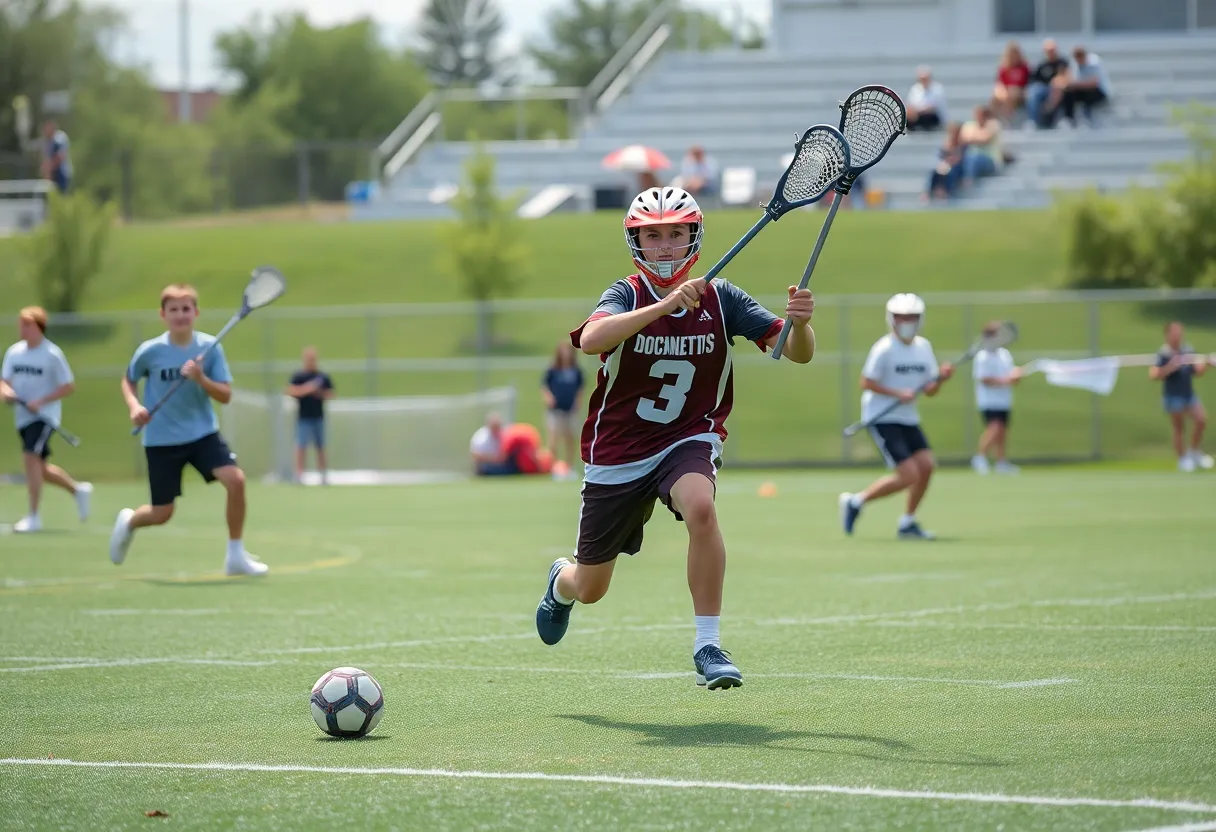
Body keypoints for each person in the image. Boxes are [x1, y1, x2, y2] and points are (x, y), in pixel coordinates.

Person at [534, 186, 816, 690]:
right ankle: (562, 581)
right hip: (618, 452)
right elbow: (592, 339)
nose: (665, 245)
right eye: (654, 235)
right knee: (592, 587)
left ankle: (707, 645)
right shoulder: (626, 294)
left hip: (688, 437)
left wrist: (801, 325)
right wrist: (660, 308)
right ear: (637, 242)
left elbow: (797, 354)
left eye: (675, 234)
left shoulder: (721, 298)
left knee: (700, 507)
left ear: (693, 238)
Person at [109, 284, 266, 576]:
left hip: (202, 434)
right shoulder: (150, 351)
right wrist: (134, 406)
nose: (180, 315)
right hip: (161, 440)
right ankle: (131, 521)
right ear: (163, 314)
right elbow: (128, 379)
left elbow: (225, 395)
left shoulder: (210, 348)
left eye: (186, 309)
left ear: (195, 313)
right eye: (174, 310)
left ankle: (235, 556)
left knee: (236, 481)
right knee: (162, 514)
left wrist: (200, 378)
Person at [840, 293, 954, 540]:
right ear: (891, 319)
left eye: (912, 317)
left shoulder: (924, 347)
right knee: (908, 475)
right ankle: (856, 502)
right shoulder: (884, 349)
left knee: (926, 467)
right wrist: (896, 393)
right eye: (902, 317)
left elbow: (930, 390)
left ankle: (908, 522)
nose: (907, 322)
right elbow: (866, 382)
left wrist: (941, 379)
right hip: (882, 417)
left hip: (908, 417)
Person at [0, 306, 91, 532]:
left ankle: (33, 516)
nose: (22, 328)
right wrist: (7, 393)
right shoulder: (14, 352)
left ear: (39, 327)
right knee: (40, 468)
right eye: (21, 324)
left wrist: (41, 401)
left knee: (30, 458)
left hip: (44, 417)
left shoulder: (52, 354)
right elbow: (4, 382)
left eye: (27, 324)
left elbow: (68, 386)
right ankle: (77, 490)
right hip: (22, 417)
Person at [1150, 321, 1211, 472]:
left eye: (1180, 332)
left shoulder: (1187, 350)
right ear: (1168, 334)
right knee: (1179, 427)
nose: (1178, 335)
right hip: (1173, 395)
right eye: (1175, 332)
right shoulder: (1163, 353)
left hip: (1188, 394)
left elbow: (1197, 371)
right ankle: (1182, 459)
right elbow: (1154, 375)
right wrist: (1171, 366)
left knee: (1201, 420)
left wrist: (1207, 363)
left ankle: (1194, 452)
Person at [971, 322, 1022, 474]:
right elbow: (984, 379)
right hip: (988, 400)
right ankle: (979, 457)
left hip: (1004, 400)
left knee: (1002, 432)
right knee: (994, 429)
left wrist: (1016, 375)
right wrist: (1005, 381)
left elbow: (1011, 374)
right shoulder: (982, 357)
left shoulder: (1004, 354)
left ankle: (1001, 462)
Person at [286, 346, 335, 484]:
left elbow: (331, 394)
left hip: (319, 417)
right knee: (301, 446)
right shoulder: (299, 376)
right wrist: (307, 389)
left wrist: (319, 393)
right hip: (303, 418)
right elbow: (290, 391)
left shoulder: (322, 376)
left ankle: (323, 474)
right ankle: (299, 474)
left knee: (321, 446)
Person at [541, 340, 584, 478]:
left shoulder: (576, 371)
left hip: (570, 410)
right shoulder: (553, 370)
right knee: (553, 438)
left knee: (570, 439)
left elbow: (580, 388)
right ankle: (553, 468)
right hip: (555, 410)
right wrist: (549, 398)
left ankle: (569, 467)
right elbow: (544, 386)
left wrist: (578, 402)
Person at [1059, 46, 1111, 127]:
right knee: (1068, 93)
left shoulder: (1094, 62)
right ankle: (1070, 118)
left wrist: (1075, 84)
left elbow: (1094, 83)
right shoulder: (1075, 63)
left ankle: (1088, 117)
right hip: (1082, 89)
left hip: (1100, 91)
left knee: (1089, 93)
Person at [1026, 39, 1070, 128]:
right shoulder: (1042, 65)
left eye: (1052, 50)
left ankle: (1063, 119)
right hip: (1043, 89)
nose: (1051, 53)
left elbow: (1067, 77)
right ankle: (1033, 121)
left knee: (1058, 89)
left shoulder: (1062, 63)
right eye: (1048, 51)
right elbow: (1033, 80)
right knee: (1033, 93)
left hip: (1059, 90)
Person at [959, 105, 1004, 189]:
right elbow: (963, 140)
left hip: (991, 161)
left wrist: (971, 138)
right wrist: (977, 137)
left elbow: (985, 139)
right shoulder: (969, 125)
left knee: (975, 158)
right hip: (971, 159)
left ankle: (969, 180)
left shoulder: (994, 124)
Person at [924, 121, 965, 202]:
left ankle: (946, 192)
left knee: (952, 172)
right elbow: (942, 156)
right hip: (947, 165)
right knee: (935, 172)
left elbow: (960, 158)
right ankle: (929, 193)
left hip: (958, 167)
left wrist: (950, 160)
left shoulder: (962, 143)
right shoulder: (947, 143)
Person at [992, 41, 1031, 124]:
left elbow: (1028, 82)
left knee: (1012, 92)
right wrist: (1001, 93)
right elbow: (1000, 83)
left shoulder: (1024, 68)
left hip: (1020, 92)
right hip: (1007, 92)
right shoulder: (1004, 68)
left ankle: (1007, 119)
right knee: (995, 98)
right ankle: (995, 120)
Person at [906, 66, 947, 131]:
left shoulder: (937, 89)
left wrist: (917, 111)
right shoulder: (915, 89)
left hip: (934, 117)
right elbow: (910, 105)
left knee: (927, 117)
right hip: (918, 116)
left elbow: (932, 108)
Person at [40, 120, 72, 194]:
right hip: (52, 174)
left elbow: (61, 155)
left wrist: (49, 166)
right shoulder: (47, 141)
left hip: (61, 173)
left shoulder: (59, 138)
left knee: (62, 194)